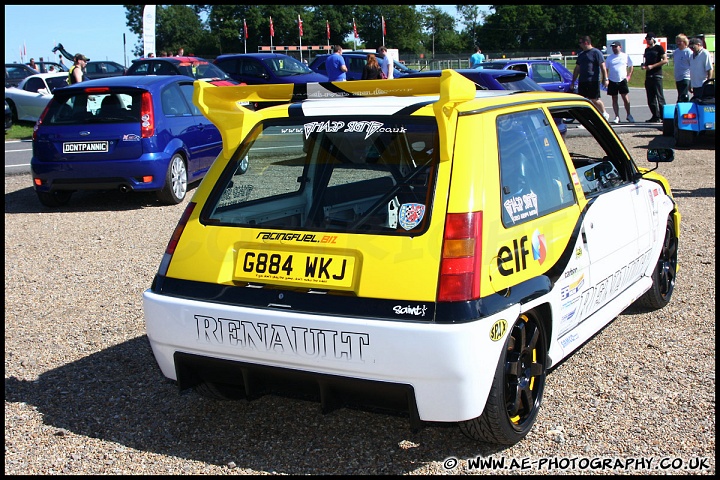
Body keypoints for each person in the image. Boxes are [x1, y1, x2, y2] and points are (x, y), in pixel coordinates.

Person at [571, 35, 609, 119]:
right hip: (582, 80)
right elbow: (577, 68)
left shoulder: (596, 52)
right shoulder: (581, 55)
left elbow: (603, 66)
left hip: (593, 80)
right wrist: (573, 81)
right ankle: (586, 118)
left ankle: (604, 113)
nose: (579, 45)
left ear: (586, 43)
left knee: (594, 99)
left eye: (580, 43)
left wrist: (605, 79)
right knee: (583, 100)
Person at [605, 41, 635, 123]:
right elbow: (606, 69)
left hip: (622, 80)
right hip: (612, 80)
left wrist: (628, 76)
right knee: (614, 99)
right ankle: (617, 116)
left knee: (625, 98)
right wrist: (606, 79)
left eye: (615, 46)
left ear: (620, 47)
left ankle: (629, 115)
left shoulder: (625, 56)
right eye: (613, 47)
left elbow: (631, 66)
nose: (614, 48)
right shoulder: (609, 58)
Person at [641, 32, 668, 123]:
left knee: (659, 96)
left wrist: (653, 66)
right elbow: (646, 62)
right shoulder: (647, 50)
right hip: (648, 75)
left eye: (649, 39)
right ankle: (655, 116)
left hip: (657, 75)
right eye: (647, 39)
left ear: (653, 39)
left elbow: (665, 60)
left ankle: (664, 116)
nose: (648, 40)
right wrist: (644, 66)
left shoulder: (659, 48)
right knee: (650, 97)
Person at [673, 34, 692, 103]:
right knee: (680, 94)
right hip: (678, 77)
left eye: (680, 41)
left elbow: (692, 65)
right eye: (677, 41)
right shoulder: (676, 52)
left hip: (685, 76)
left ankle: (684, 110)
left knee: (683, 96)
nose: (678, 43)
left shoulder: (688, 52)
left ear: (684, 42)